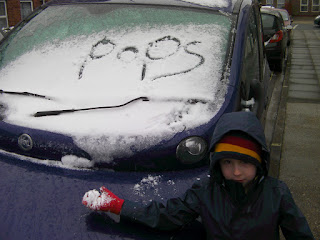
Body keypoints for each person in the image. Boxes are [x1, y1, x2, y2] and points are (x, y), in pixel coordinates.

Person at [82, 111, 314, 240]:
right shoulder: (206, 191)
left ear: (259, 161)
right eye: (227, 162)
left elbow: (299, 235)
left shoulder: (276, 193)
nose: (235, 171)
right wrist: (119, 206)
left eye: (244, 162)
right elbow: (167, 215)